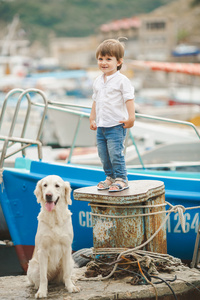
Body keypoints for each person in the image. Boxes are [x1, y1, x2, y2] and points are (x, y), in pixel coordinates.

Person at [89, 38, 135, 192]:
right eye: (101, 59)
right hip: (102, 125)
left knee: (116, 153)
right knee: (103, 154)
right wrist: (92, 118)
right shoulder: (97, 81)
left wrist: (131, 118)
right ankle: (110, 177)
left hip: (116, 125)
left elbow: (129, 99)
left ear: (119, 61)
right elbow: (96, 100)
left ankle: (122, 178)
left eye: (109, 59)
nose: (104, 62)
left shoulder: (122, 81)